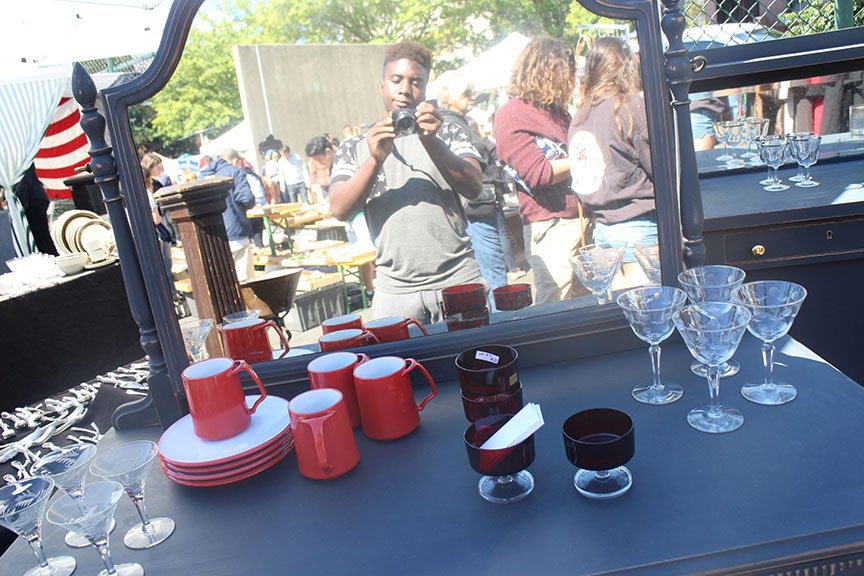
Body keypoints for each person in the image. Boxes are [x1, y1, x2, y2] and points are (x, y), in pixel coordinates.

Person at [329, 40, 484, 323]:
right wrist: (375, 159)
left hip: (459, 279)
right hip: (395, 292)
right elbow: (339, 208)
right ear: (382, 86)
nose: (404, 89)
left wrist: (431, 142)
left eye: (416, 82)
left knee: (474, 362)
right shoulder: (356, 146)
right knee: (401, 367)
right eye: (396, 80)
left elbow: (474, 187)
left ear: (425, 89)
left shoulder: (446, 131)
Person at [494, 36, 584, 304]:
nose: (570, 79)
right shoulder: (512, 114)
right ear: (548, 71)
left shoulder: (558, 112)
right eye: (566, 72)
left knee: (586, 302)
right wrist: (585, 158)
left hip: (579, 218)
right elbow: (539, 173)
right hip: (551, 225)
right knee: (554, 303)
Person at [568, 36, 655, 288]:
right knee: (646, 316)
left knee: (624, 317)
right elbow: (664, 171)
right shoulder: (630, 107)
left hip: (604, 232)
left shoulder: (580, 117)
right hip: (638, 229)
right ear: (627, 66)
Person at [436, 71, 512, 300]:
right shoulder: (448, 125)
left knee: (494, 274)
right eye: (466, 93)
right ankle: (501, 327)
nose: (472, 97)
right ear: (448, 96)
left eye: (472, 92)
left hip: (482, 206)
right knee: (495, 279)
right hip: (475, 210)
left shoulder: (457, 123)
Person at [199, 149, 256, 282]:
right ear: (235, 160)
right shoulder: (234, 171)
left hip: (212, 238)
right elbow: (246, 198)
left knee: (225, 284)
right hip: (236, 232)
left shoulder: (202, 177)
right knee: (245, 283)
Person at [141, 153, 176, 295]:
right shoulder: (146, 188)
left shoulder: (156, 184)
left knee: (164, 265)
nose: (160, 171)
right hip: (158, 228)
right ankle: (171, 294)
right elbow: (156, 217)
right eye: (158, 168)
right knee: (164, 266)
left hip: (160, 226)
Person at [12, 164, 57, 255]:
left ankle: (54, 263)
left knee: (41, 240)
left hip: (32, 201)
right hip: (28, 200)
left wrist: (18, 204)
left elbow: (24, 179)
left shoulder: (18, 154)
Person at [305, 135, 335, 203]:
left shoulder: (343, 164)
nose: (316, 164)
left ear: (328, 152)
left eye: (318, 160)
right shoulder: (330, 166)